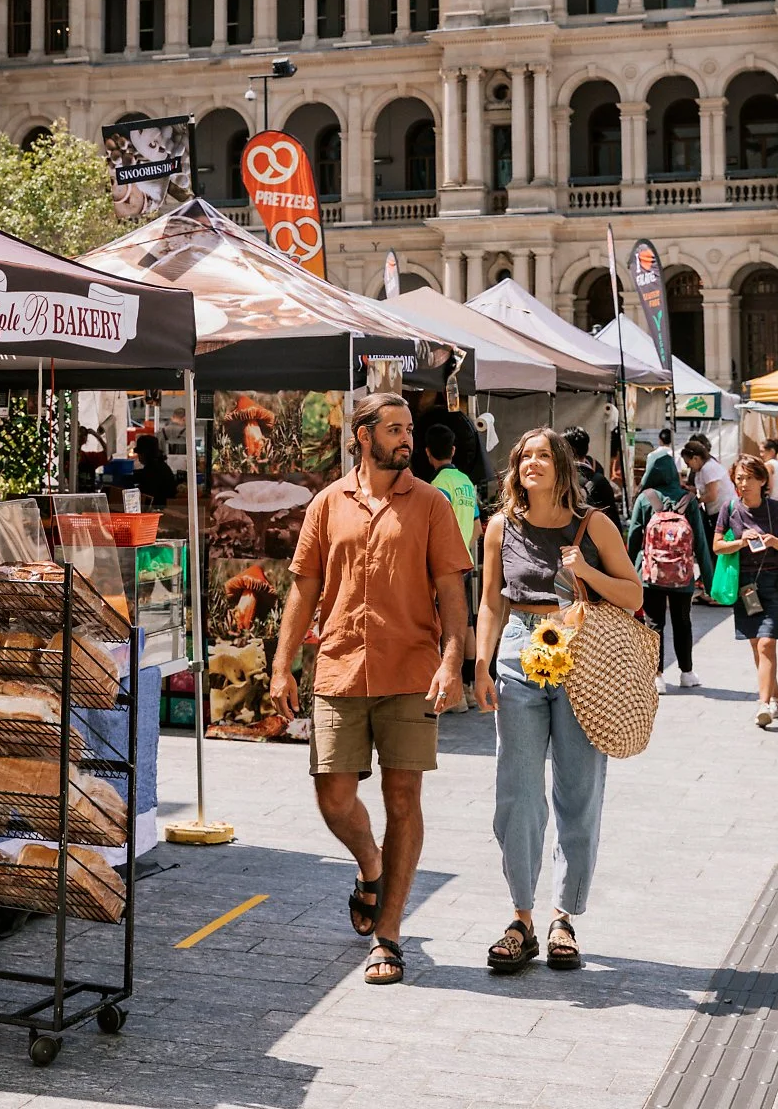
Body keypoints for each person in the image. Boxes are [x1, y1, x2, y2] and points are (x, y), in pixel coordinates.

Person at [270, 392, 471, 985]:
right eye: (393, 428)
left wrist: (451, 662)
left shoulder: (432, 503)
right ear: (363, 435)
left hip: (411, 669)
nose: (405, 438)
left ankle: (388, 934)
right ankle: (370, 864)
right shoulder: (328, 503)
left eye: (409, 428)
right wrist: (283, 665)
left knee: (402, 799)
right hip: (337, 665)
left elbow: (452, 595)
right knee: (332, 796)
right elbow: (303, 589)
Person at [474, 428, 643, 975]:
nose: (532, 464)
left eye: (543, 456)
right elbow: (490, 605)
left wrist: (585, 571)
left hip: (583, 655)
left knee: (578, 789)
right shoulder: (500, 527)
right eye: (524, 457)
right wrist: (480, 663)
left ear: (562, 467)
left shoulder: (595, 525)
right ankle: (521, 918)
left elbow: (634, 593)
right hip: (519, 654)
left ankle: (563, 916)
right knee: (516, 791)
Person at [714, 455, 778, 728]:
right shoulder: (730, 508)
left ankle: (764, 706)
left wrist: (776, 543)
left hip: (773, 583)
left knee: (766, 643)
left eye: (749, 477)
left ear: (763, 480)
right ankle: (776, 697)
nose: (744, 483)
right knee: (756, 644)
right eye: (739, 478)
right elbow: (716, 546)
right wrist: (739, 542)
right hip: (745, 585)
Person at [626, 483, 713, 691]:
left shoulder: (645, 498)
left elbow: (634, 536)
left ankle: (657, 676)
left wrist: (628, 572)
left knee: (653, 624)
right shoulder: (688, 500)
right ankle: (687, 673)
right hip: (682, 576)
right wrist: (709, 580)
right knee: (683, 622)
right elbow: (700, 541)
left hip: (651, 575)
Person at [424, 424, 480, 712]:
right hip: (465, 563)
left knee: (442, 625)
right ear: (454, 450)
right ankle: (468, 689)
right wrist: (464, 549)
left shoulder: (436, 487)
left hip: (440, 565)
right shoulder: (466, 483)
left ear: (427, 453)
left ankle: (449, 693)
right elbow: (478, 527)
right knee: (466, 623)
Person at [562, 426, 622, 532]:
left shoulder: (557, 479)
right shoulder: (600, 481)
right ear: (587, 448)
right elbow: (613, 521)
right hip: (593, 542)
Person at [682, 437, 730, 536]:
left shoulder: (708, 468)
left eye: (688, 463)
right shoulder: (701, 470)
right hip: (716, 511)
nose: (687, 467)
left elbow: (712, 495)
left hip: (722, 512)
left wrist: (696, 500)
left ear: (696, 458)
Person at [131, 432, 178, 508]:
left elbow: (147, 491)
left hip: (159, 509)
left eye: (140, 454)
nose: (139, 457)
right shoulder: (160, 466)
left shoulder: (153, 470)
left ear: (145, 454)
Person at [639, 428, 681, 499]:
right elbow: (679, 479)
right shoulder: (675, 456)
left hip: (653, 493)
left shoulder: (651, 455)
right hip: (672, 494)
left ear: (660, 440)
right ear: (671, 441)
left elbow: (647, 476)